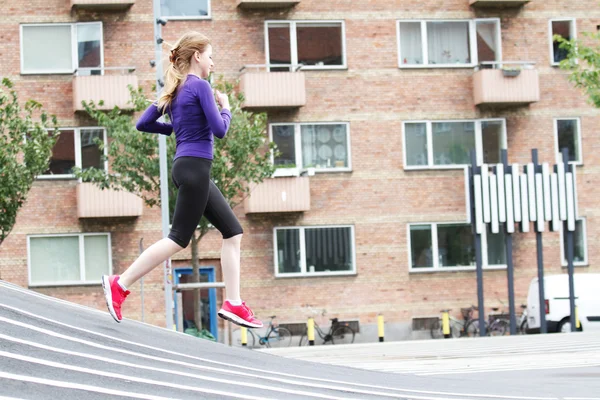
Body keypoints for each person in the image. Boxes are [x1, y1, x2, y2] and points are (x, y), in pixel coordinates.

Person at [101, 31, 262, 329]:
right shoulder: (200, 86)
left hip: (186, 166)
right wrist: (226, 108)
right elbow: (220, 130)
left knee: (233, 231)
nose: (213, 63)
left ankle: (234, 302)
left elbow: (144, 123)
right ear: (198, 56)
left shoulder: (174, 90)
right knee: (178, 239)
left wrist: (174, 129)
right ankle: (119, 284)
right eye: (211, 56)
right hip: (196, 168)